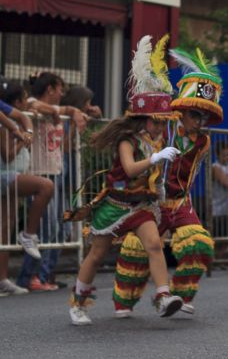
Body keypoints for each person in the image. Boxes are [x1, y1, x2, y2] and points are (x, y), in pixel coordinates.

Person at [64, 35, 184, 325]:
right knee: (97, 254)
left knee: (154, 245)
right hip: (115, 204)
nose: (160, 126)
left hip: (140, 205)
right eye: (157, 121)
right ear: (143, 120)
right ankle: (78, 303)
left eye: (162, 121)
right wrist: (155, 160)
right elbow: (130, 170)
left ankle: (163, 297)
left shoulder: (155, 142)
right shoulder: (127, 141)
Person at [113, 47, 221, 316]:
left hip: (180, 202)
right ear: (183, 111)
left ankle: (180, 296)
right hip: (153, 200)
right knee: (137, 251)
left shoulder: (204, 141)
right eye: (196, 114)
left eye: (204, 116)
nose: (200, 121)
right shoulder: (165, 126)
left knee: (199, 243)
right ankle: (123, 301)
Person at [18, 72, 88, 291]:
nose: (62, 93)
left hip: (55, 172)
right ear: (50, 89)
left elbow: (64, 146)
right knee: (47, 228)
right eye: (60, 89)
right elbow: (32, 105)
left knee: (62, 226)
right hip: (39, 175)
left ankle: (45, 274)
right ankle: (29, 276)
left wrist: (76, 121)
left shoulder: (57, 114)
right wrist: (68, 110)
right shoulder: (32, 104)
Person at [0, 79, 55, 289]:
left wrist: (27, 133)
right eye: (22, 99)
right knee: (45, 186)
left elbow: (23, 118)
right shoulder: (3, 125)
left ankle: (3, 279)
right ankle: (28, 234)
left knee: (5, 227)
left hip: (12, 176)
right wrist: (21, 137)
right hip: (5, 175)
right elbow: (7, 156)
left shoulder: (8, 112)